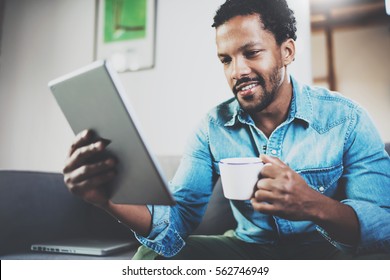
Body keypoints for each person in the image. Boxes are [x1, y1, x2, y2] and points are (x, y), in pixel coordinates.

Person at [62, 0, 390, 259]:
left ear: (286, 51)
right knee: (152, 256)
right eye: (226, 60)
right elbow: (175, 223)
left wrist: (312, 204)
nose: (238, 71)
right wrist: (107, 201)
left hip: (328, 253)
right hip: (249, 253)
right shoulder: (211, 127)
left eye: (251, 53)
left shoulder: (346, 119)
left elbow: (382, 224)